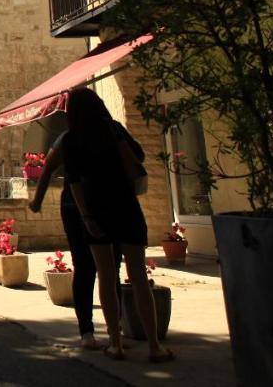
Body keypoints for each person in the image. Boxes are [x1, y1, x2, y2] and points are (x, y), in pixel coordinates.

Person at [60, 87, 172, 363]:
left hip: (97, 211)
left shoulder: (72, 139)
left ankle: (115, 342)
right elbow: (139, 159)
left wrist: (86, 216)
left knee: (107, 278)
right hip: (126, 206)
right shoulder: (115, 129)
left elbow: (74, 183)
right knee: (138, 278)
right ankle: (154, 346)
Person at [29, 131, 112, 349]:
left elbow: (48, 169)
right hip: (108, 203)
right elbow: (137, 158)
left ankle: (87, 332)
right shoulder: (113, 131)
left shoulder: (67, 138)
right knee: (110, 269)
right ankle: (117, 332)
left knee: (84, 267)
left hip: (74, 206)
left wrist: (37, 201)